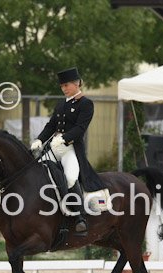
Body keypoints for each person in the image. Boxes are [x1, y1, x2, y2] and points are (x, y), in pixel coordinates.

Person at [30, 67, 106, 235]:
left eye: (66, 85)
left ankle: (80, 217)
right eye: (62, 86)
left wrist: (64, 138)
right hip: (53, 148)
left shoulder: (86, 104)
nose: (64, 89)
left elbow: (80, 128)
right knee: (36, 173)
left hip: (70, 148)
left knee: (70, 178)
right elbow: (51, 126)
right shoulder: (61, 104)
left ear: (77, 83)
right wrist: (39, 140)